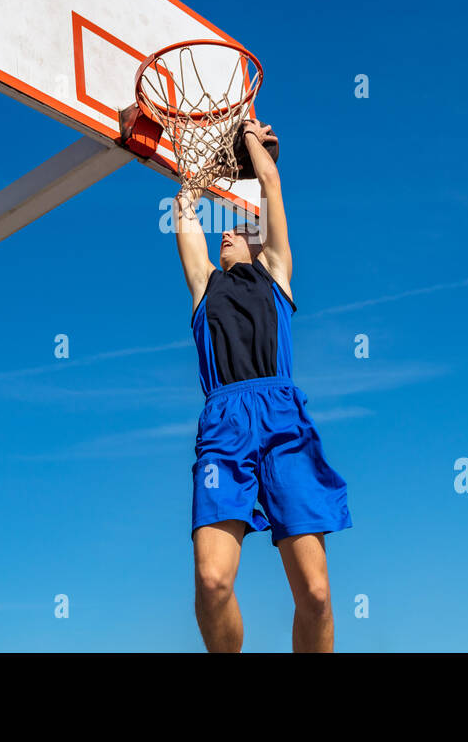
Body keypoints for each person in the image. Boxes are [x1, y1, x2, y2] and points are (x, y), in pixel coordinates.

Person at [174, 117, 352, 652]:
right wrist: (199, 160)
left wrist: (250, 139)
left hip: (282, 418)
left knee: (317, 595)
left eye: (238, 230)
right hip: (224, 423)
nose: (226, 232)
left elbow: (270, 186)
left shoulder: (276, 273)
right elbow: (186, 210)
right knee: (211, 581)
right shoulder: (205, 285)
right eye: (221, 231)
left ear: (256, 245)